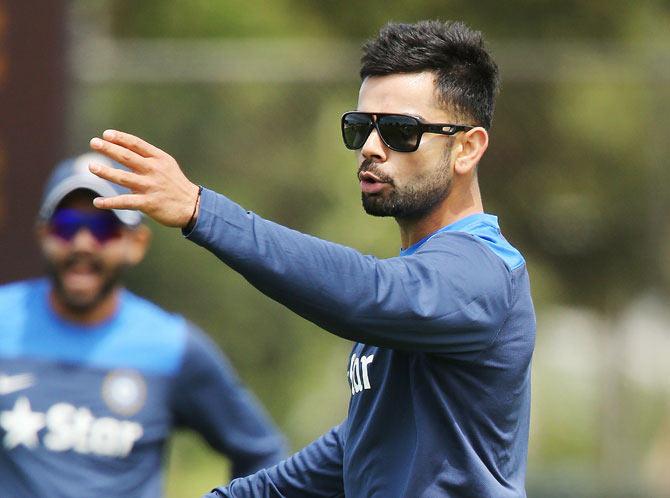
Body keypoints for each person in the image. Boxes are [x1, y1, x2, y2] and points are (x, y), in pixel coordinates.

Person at [89, 19, 535, 498]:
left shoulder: (485, 271)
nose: (369, 148)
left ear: (467, 147)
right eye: (362, 127)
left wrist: (202, 211)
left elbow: (369, 294)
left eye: (401, 131)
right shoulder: (422, 282)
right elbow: (360, 446)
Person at [0, 153, 286, 498]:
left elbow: (263, 454)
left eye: (103, 229)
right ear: (43, 234)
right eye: (67, 226)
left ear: (136, 244)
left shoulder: (173, 347)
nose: (82, 244)